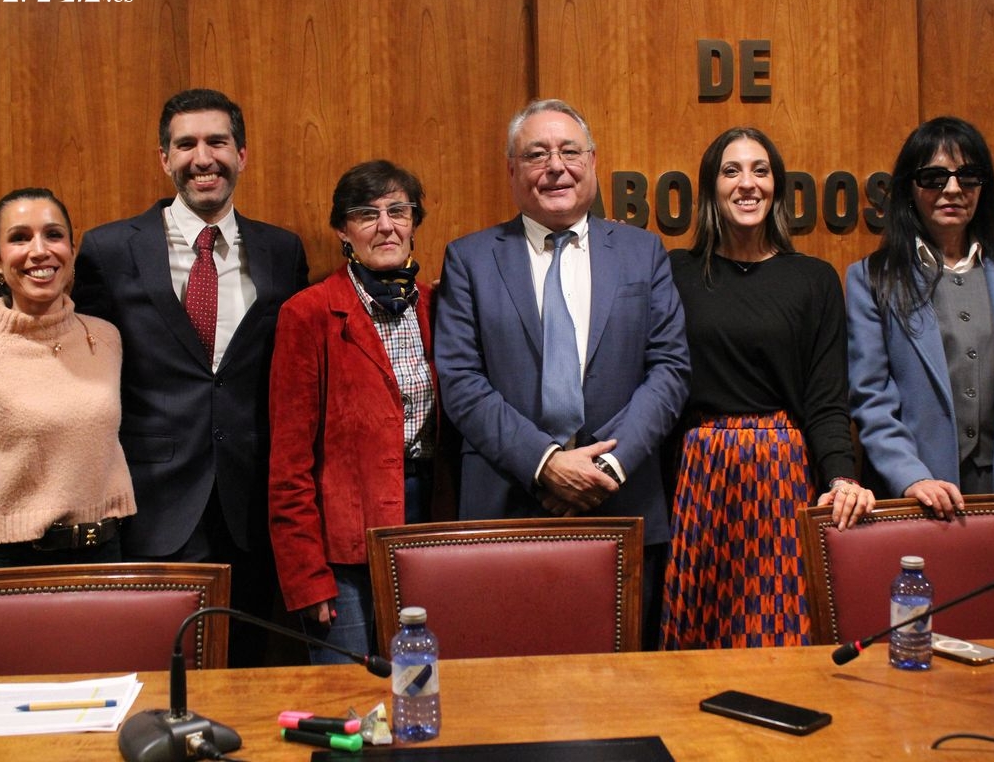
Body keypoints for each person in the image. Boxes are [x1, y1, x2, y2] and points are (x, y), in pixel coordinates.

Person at [0, 89, 309, 665]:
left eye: (217, 142)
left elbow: (292, 369)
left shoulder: (282, 251)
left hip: (251, 509)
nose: (203, 157)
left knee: (247, 669)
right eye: (186, 144)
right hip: (152, 512)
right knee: (151, 678)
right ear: (164, 159)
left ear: (242, 154)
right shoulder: (109, 249)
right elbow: (45, 322)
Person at [434, 99, 691, 650]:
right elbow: (460, 381)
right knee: (505, 688)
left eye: (570, 151)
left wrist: (602, 466)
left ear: (593, 162)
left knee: (621, 692)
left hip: (620, 503)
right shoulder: (470, 259)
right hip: (506, 505)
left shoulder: (643, 253)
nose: (556, 166)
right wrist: (546, 464)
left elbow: (669, 369)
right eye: (536, 154)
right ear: (511, 169)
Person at [845, 116, 994, 634]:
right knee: (926, 646)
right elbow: (871, 399)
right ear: (909, 190)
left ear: (982, 189)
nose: (952, 189)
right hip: (921, 495)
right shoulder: (872, 279)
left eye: (967, 177)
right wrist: (912, 477)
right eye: (933, 177)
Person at [660, 127, 874, 650]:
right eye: (732, 171)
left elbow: (826, 399)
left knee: (780, 632)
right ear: (710, 188)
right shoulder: (673, 272)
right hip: (698, 471)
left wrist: (841, 477)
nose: (747, 183)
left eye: (760, 170)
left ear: (777, 186)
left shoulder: (814, 279)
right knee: (696, 640)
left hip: (783, 472)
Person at [268, 160, 449, 663]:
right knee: (352, 701)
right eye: (367, 214)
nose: (385, 225)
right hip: (342, 550)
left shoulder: (443, 305)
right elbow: (289, 464)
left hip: (432, 534)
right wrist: (306, 575)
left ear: (415, 221)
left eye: (398, 210)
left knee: (427, 689)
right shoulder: (308, 313)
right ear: (343, 230)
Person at [0, 188, 135, 571]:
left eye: (53, 235)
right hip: (11, 563)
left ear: (71, 248)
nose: (40, 250)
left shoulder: (106, 338)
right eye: (20, 237)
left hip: (104, 557)